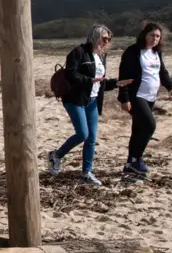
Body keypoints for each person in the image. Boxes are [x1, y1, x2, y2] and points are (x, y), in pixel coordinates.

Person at [47, 24, 121, 185]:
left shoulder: (101, 56)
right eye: (104, 38)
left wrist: (116, 83)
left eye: (109, 39)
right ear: (95, 37)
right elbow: (71, 74)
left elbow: (100, 83)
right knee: (82, 134)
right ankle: (56, 155)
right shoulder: (79, 52)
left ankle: (87, 173)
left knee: (91, 138)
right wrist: (89, 80)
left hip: (92, 100)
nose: (106, 42)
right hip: (74, 99)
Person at [117, 21, 172, 177]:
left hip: (151, 96)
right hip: (137, 96)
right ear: (144, 35)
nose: (154, 39)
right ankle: (137, 158)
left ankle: (130, 164)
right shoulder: (133, 52)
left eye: (157, 36)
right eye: (152, 35)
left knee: (138, 129)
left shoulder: (156, 52)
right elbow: (123, 76)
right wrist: (124, 98)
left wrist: (170, 87)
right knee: (150, 125)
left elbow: (162, 71)